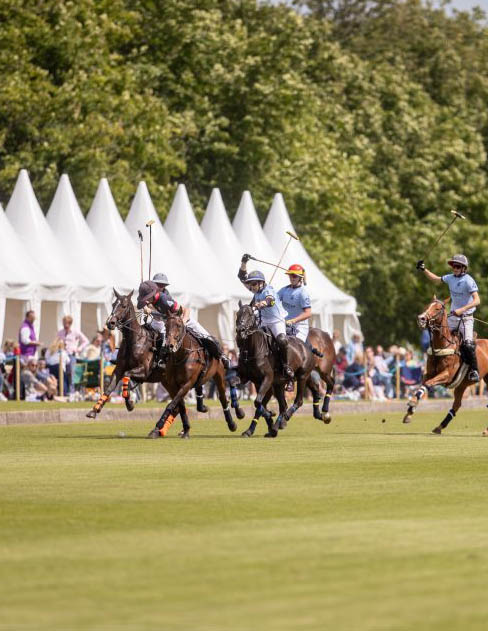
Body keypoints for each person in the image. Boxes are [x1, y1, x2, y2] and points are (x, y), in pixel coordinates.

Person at [137, 277, 229, 368]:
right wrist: (145, 307)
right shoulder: (149, 299)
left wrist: (184, 322)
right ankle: (159, 359)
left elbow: (186, 310)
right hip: (168, 324)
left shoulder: (164, 299)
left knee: (205, 335)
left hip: (182, 321)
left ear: (153, 294)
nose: (147, 300)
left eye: (148, 298)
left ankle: (223, 356)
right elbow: (139, 304)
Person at [416, 253, 480, 381]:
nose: (455, 268)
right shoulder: (450, 278)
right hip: (453, 317)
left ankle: (474, 370)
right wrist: (424, 269)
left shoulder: (468, 280)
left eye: (457, 266)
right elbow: (435, 279)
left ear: (463, 268)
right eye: (453, 266)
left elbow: (477, 300)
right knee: (439, 335)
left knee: (467, 344)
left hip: (466, 318)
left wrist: (462, 309)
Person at [238, 254, 293, 379]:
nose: (251, 287)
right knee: (249, 337)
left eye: (253, 284)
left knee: (282, 341)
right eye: (250, 285)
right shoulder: (256, 289)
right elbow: (241, 277)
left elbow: (270, 301)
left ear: (261, 283)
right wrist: (244, 262)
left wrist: (259, 305)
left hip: (276, 321)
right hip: (263, 321)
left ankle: (286, 366)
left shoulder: (268, 290)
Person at [277, 264, 312, 342]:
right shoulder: (284, 289)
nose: (291, 278)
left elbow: (308, 313)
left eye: (294, 276)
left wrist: (293, 320)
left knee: (297, 348)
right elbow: (274, 300)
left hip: (299, 327)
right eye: (290, 276)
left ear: (300, 278)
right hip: (284, 324)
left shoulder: (303, 293)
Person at [57, 316, 89, 393]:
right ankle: (63, 391)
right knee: (62, 373)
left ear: (70, 323)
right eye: (64, 323)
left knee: (71, 373)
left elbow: (86, 341)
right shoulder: (60, 332)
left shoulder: (75, 332)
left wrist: (78, 349)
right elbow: (56, 342)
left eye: (66, 323)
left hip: (71, 355)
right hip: (62, 355)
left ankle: (71, 392)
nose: (65, 325)